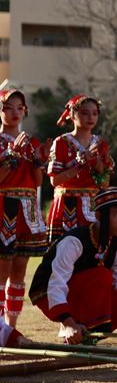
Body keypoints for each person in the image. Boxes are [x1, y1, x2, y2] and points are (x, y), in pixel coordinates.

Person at [29, 187, 117, 344]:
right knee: (102, 276)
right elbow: (56, 284)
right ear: (100, 216)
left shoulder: (116, 243)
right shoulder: (75, 241)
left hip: (82, 290)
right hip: (47, 292)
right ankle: (74, 330)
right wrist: (68, 324)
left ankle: (87, 336)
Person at [0, 89, 48, 327]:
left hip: (27, 207)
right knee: (3, 267)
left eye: (20, 107)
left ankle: (12, 325)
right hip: (4, 205)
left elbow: (38, 182)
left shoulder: (31, 142)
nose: (15, 112)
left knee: (20, 268)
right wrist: (11, 155)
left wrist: (39, 161)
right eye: (8, 107)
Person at [46, 95, 115, 242]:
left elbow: (104, 184)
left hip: (94, 204)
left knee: (93, 252)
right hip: (67, 205)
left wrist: (98, 165)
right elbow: (55, 180)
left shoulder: (101, 144)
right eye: (84, 113)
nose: (90, 117)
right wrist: (79, 165)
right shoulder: (61, 143)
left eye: (95, 113)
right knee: (66, 253)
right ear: (72, 115)